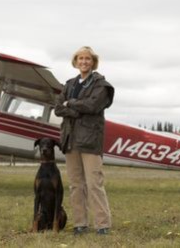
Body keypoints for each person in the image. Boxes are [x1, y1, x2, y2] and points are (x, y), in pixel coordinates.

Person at [54, 46, 114, 235]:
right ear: (76, 61)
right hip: (71, 140)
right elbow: (57, 108)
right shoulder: (70, 83)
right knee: (75, 184)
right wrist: (76, 108)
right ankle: (80, 223)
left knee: (94, 183)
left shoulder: (101, 85)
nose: (84, 62)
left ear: (93, 61)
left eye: (87, 59)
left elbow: (93, 105)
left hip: (90, 140)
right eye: (80, 58)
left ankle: (102, 225)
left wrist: (70, 104)